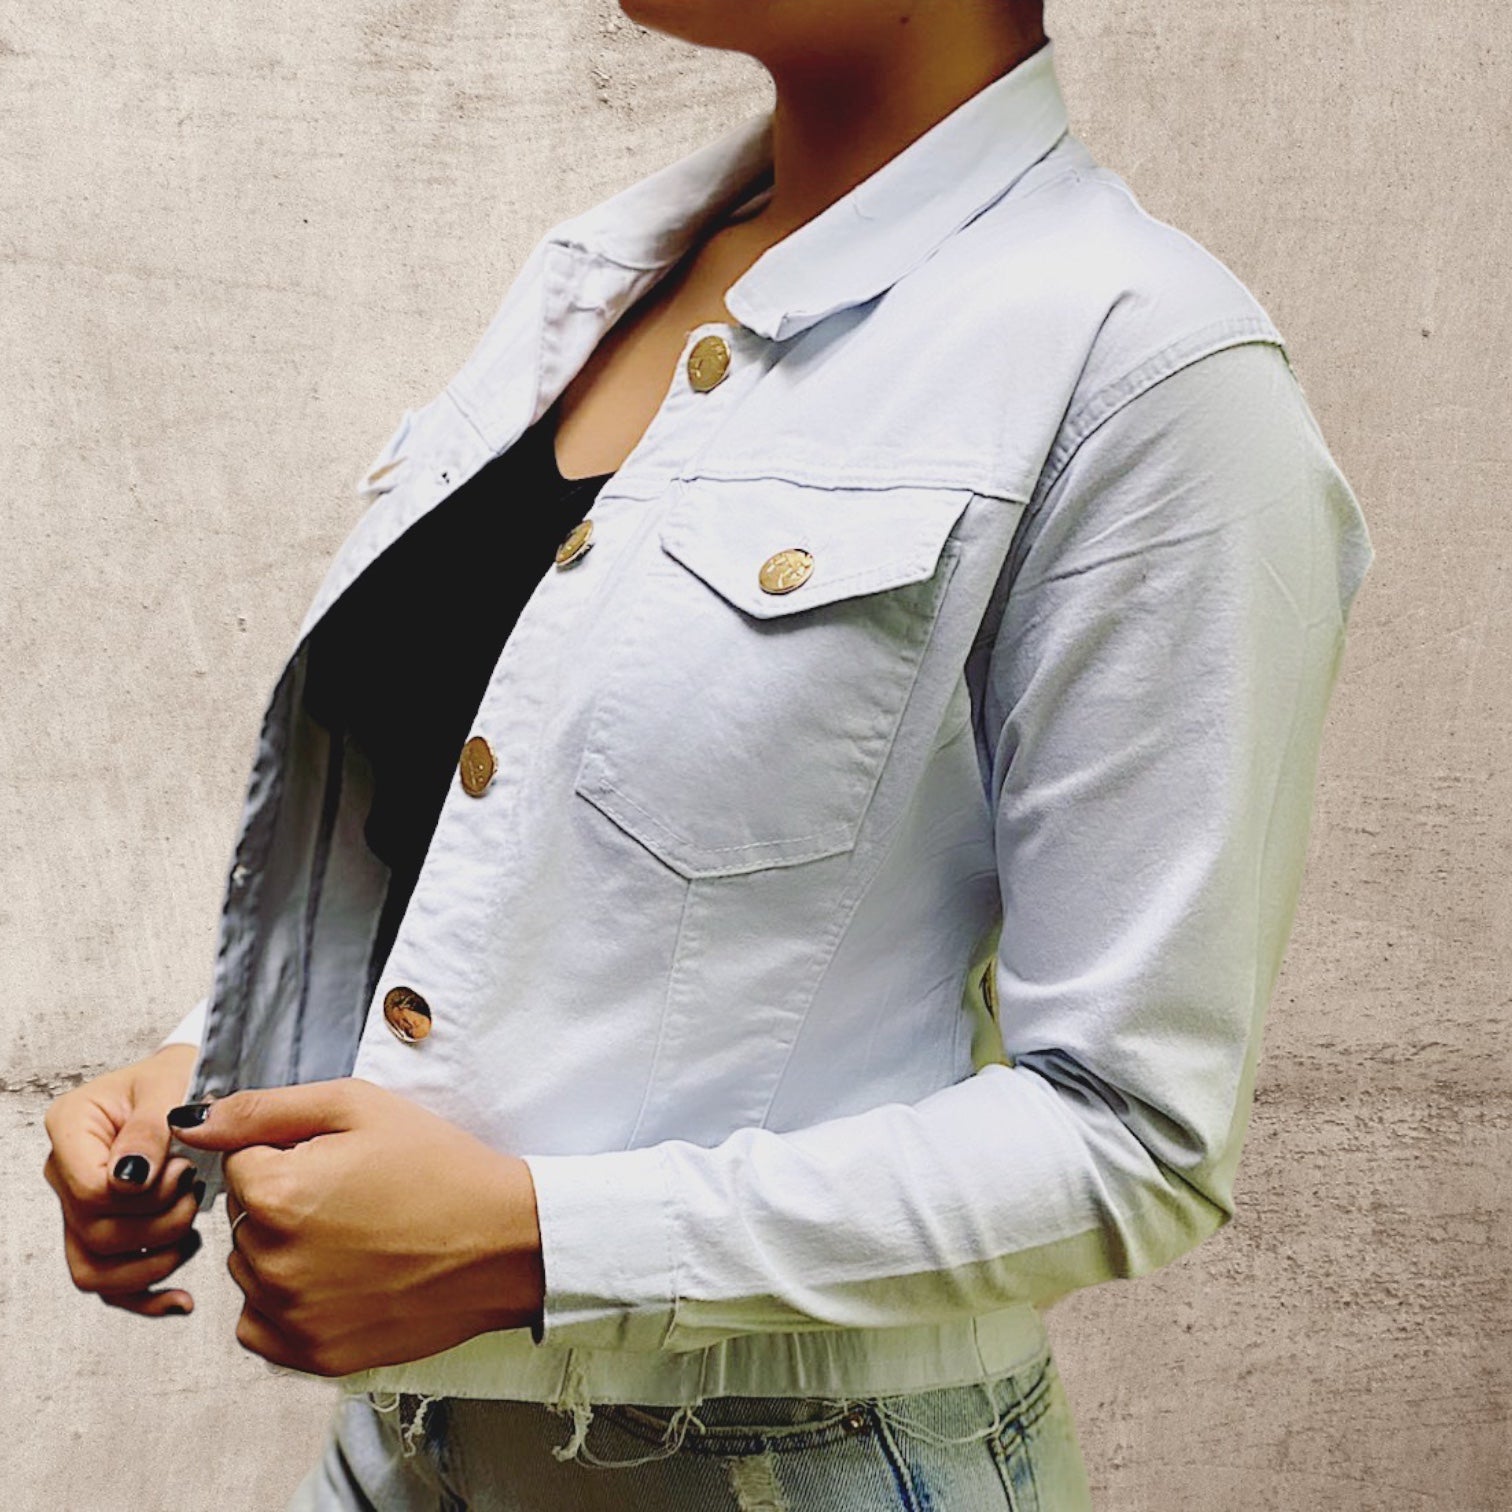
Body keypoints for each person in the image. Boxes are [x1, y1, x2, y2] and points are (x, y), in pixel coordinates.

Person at [40, 2, 1376, 1507]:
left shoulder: (1149, 369)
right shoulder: (601, 273)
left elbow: (1135, 1138)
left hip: (792, 1468)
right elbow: (517, 852)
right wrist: (214, 1078)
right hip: (406, 1448)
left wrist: (540, 1245)